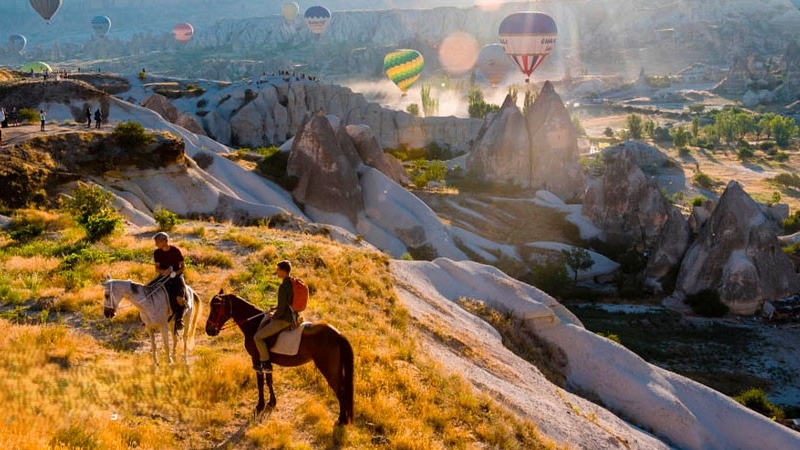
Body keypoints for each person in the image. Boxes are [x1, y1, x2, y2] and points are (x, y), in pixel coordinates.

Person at [254, 260, 297, 374]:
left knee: (258, 337)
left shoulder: (283, 286)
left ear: (283, 271)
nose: (277, 272)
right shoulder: (292, 283)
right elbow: (287, 303)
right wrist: (276, 307)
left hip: (285, 319)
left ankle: (266, 364)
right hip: (293, 315)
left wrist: (273, 316)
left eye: (278, 269)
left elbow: (282, 310)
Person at [153, 232, 187, 332]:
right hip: (164, 276)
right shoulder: (157, 252)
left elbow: (183, 266)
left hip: (176, 276)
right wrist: (164, 272)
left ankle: (179, 319)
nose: (156, 244)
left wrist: (175, 273)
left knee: (179, 298)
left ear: (164, 241)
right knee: (150, 289)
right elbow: (157, 268)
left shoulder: (175, 251)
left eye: (157, 242)